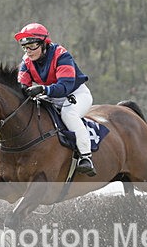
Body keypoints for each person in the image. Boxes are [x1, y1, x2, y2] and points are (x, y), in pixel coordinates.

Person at [14, 22, 96, 176]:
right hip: (51, 96)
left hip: (75, 94)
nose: (28, 51)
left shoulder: (61, 55)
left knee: (68, 115)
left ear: (44, 44)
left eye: (32, 46)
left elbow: (65, 86)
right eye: (25, 47)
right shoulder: (26, 61)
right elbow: (22, 85)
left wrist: (43, 89)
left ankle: (86, 157)